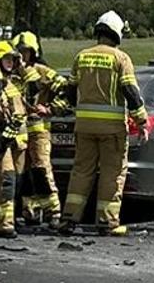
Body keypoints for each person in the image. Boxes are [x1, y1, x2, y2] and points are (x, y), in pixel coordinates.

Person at [58, 12, 148, 236]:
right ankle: (107, 222)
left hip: (84, 127)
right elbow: (130, 92)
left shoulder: (81, 56)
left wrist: (74, 110)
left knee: (81, 171)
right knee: (112, 173)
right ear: (117, 33)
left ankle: (69, 218)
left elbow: (70, 91)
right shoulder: (121, 59)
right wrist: (142, 121)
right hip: (111, 130)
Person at [14, 31, 66, 226]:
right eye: (19, 52)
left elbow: (65, 88)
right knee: (24, 172)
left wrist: (51, 109)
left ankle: (54, 212)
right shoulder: (11, 73)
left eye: (26, 52)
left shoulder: (42, 72)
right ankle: (30, 211)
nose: (22, 56)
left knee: (42, 168)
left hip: (38, 130)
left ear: (33, 52)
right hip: (18, 132)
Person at [0, 41, 28, 239]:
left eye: (12, 59)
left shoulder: (14, 83)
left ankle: (12, 218)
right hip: (0, 140)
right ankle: (3, 224)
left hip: (17, 140)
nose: (10, 62)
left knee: (17, 181)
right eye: (6, 59)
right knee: (6, 179)